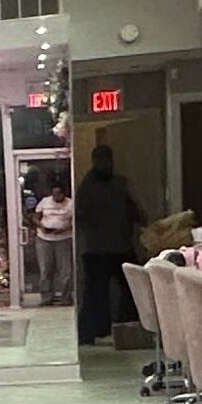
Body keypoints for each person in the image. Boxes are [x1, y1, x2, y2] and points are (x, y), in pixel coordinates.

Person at [75, 146, 145, 344]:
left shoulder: (119, 183)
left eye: (108, 159)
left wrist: (138, 220)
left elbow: (134, 210)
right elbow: (81, 217)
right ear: (95, 161)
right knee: (96, 294)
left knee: (131, 289)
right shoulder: (88, 187)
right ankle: (91, 333)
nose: (106, 164)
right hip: (97, 248)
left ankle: (127, 329)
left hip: (119, 245)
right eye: (102, 160)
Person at [34, 179, 75, 306]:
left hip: (64, 239)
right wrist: (41, 226)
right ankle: (46, 297)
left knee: (65, 271)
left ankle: (65, 297)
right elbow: (35, 217)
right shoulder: (45, 202)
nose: (56, 197)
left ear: (64, 193)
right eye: (54, 194)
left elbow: (75, 222)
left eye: (58, 194)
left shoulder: (71, 204)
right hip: (44, 239)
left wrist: (64, 228)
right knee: (46, 269)